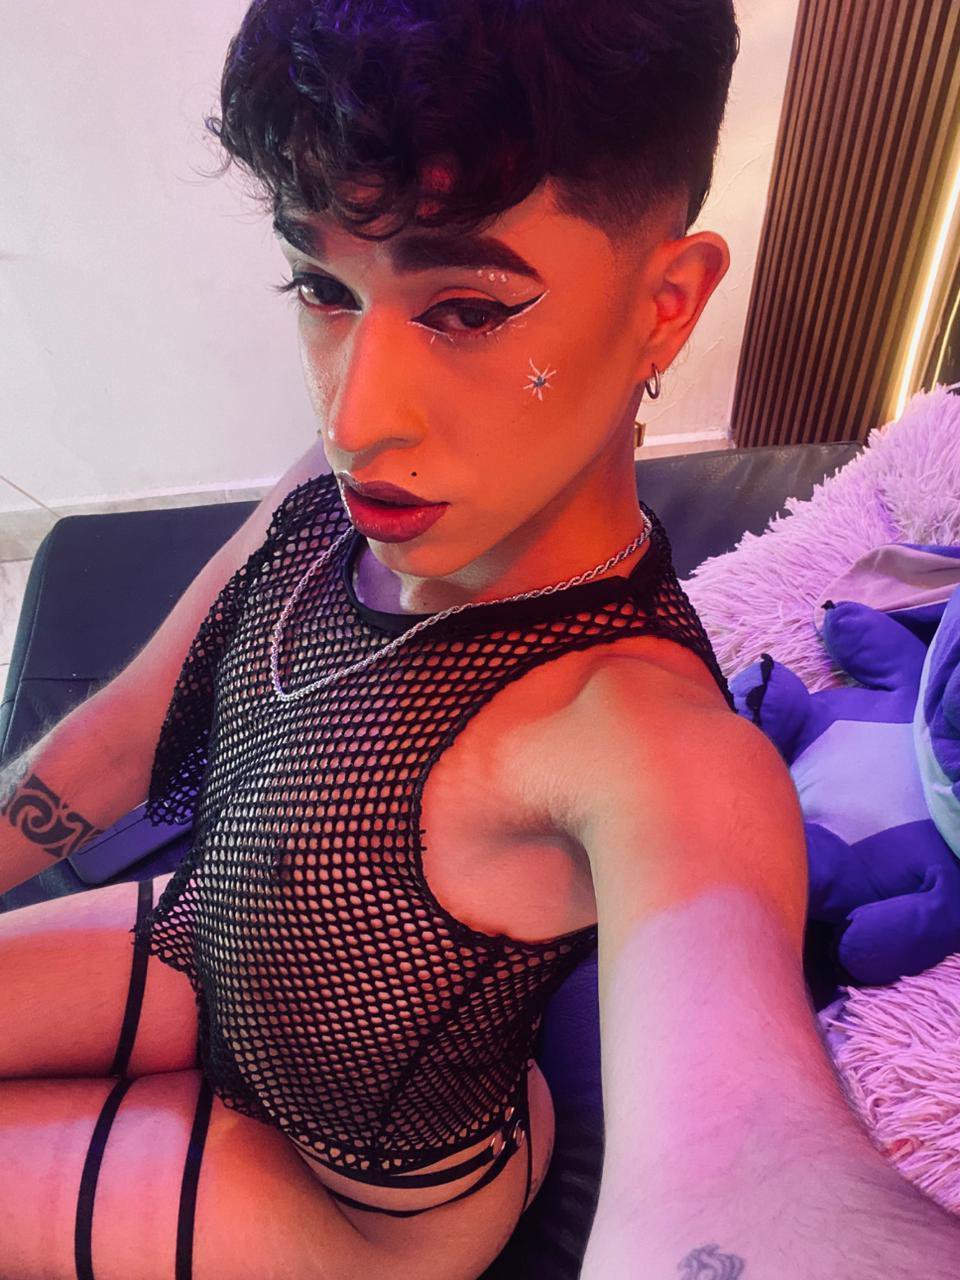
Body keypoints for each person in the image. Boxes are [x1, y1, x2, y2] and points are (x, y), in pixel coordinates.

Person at [1, 1, 959, 1277]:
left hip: (355, 1203)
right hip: (211, 944)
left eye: (464, 309)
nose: (356, 420)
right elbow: (125, 733)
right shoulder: (325, 495)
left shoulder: (644, 738)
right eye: (324, 287)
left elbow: (743, 1164)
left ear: (665, 305)